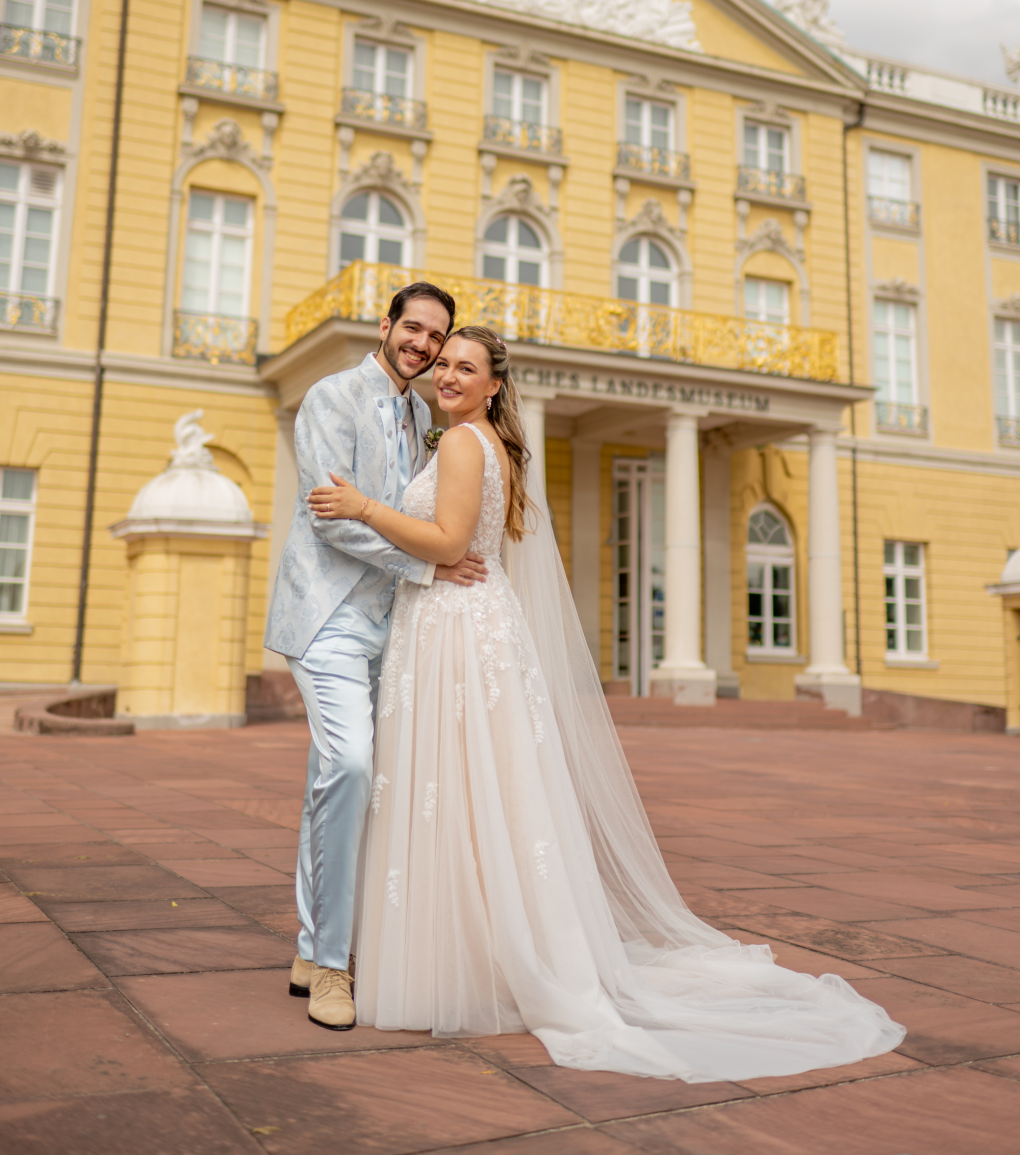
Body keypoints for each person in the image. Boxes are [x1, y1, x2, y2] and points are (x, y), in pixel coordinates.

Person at [310, 324, 906, 1080]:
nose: (449, 375)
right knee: (479, 792)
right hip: (471, 621)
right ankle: (487, 951)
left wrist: (361, 505)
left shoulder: (463, 443)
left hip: (457, 630)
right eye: (446, 365)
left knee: (457, 791)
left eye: (466, 367)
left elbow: (449, 543)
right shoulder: (477, 439)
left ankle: (466, 960)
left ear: (495, 383)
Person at [265, 281, 487, 1032]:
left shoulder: (426, 414)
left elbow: (407, 513)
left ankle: (306, 947)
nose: (423, 345)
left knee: (337, 776)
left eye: (437, 337)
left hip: (394, 627)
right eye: (414, 329)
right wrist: (427, 567)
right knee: (351, 766)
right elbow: (331, 521)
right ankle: (332, 964)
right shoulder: (331, 398)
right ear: (386, 324)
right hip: (327, 615)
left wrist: (423, 562)